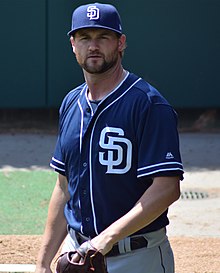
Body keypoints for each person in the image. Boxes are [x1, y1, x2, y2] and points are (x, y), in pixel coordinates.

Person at [35, 3, 184, 273]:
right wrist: (43, 263)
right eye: (85, 38)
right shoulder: (71, 103)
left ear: (120, 43)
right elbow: (64, 187)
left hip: (138, 257)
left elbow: (166, 189)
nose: (93, 46)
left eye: (103, 37)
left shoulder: (148, 105)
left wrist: (104, 240)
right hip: (78, 254)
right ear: (73, 44)